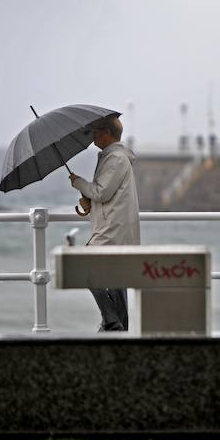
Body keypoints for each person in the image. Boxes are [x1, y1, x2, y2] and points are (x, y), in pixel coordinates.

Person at [69, 115, 141, 332]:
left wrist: (79, 183)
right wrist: (89, 201)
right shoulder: (113, 157)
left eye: (96, 131)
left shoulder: (116, 159)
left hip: (112, 229)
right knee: (117, 278)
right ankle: (120, 328)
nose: (93, 137)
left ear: (107, 133)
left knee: (83, 267)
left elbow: (101, 191)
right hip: (114, 226)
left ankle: (111, 321)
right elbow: (107, 194)